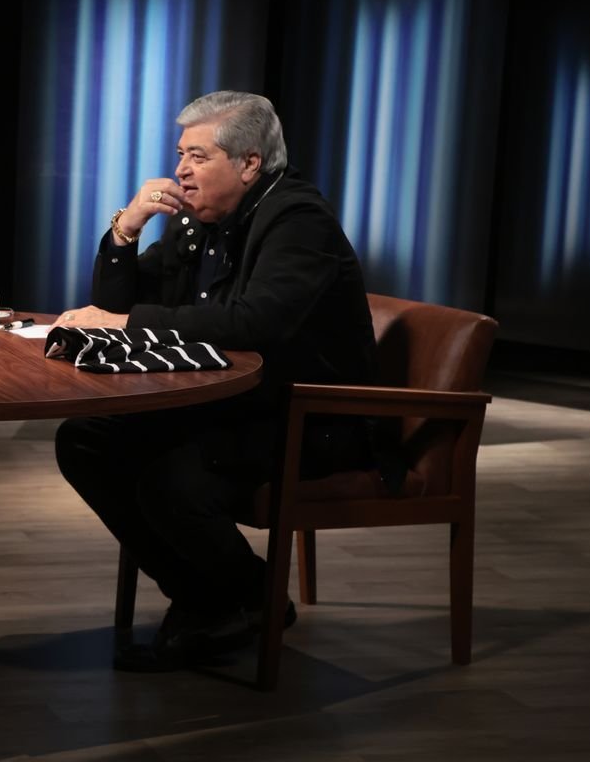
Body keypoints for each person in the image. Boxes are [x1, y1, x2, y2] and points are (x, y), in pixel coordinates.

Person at [51, 91, 377, 671]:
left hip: (309, 419)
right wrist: (126, 230)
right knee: (86, 437)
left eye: (197, 157)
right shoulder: (200, 221)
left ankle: (221, 602)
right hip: (236, 406)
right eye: (181, 154)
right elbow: (115, 304)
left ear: (250, 163)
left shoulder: (298, 220)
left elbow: (256, 322)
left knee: (169, 475)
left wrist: (125, 323)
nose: (180, 170)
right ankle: (231, 595)